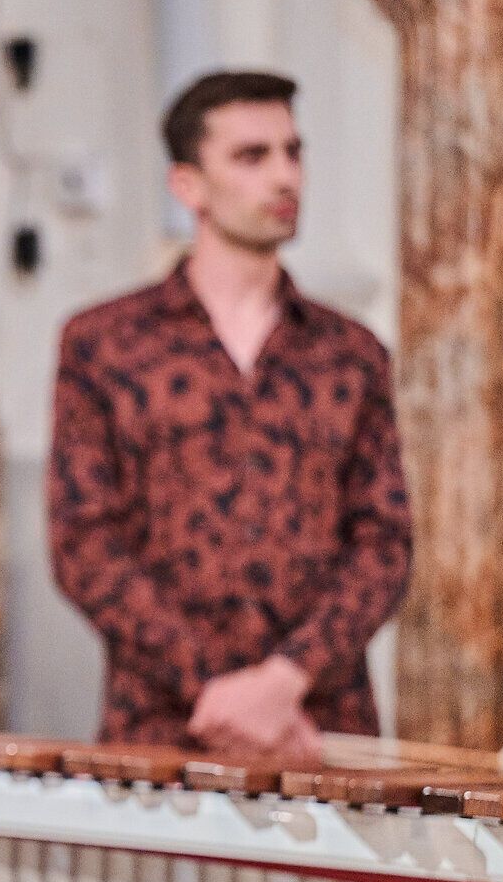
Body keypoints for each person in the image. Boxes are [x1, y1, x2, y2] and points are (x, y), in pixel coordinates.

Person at [47, 70, 411, 758]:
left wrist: (284, 681)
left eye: (293, 152)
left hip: (317, 725)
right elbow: (84, 544)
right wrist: (216, 690)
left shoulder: (350, 352)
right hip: (164, 727)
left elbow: (384, 542)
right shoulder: (105, 343)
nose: (284, 176)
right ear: (188, 185)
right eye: (252, 156)